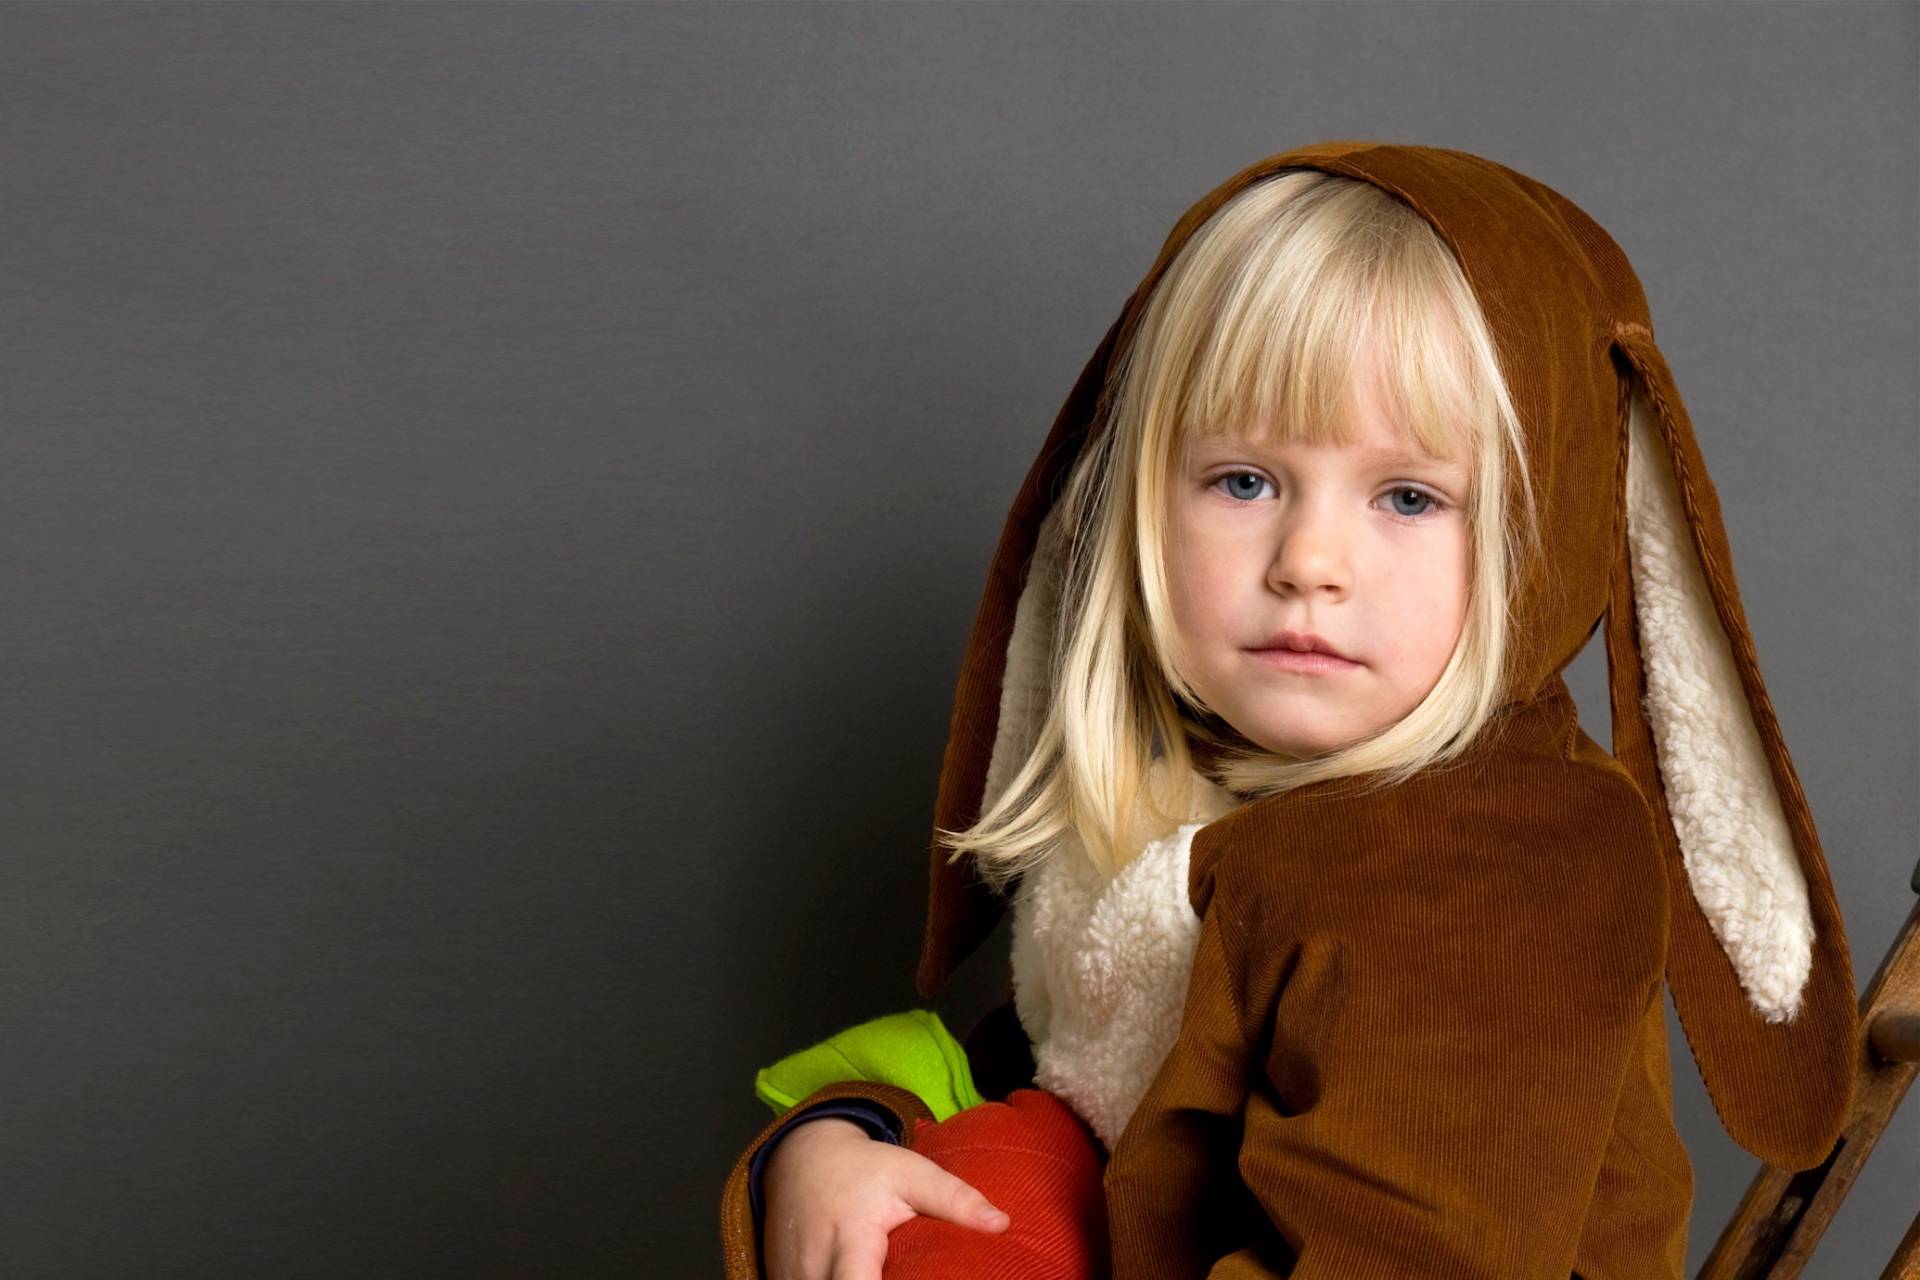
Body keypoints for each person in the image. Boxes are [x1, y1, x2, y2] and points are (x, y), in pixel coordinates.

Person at [719, 142, 1860, 1280]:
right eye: (1245, 480)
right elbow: (1049, 1073)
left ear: (1537, 542)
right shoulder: (1201, 780)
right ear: (1132, 504)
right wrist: (842, 1136)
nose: (1310, 559)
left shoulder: (1496, 870)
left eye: (1410, 496)